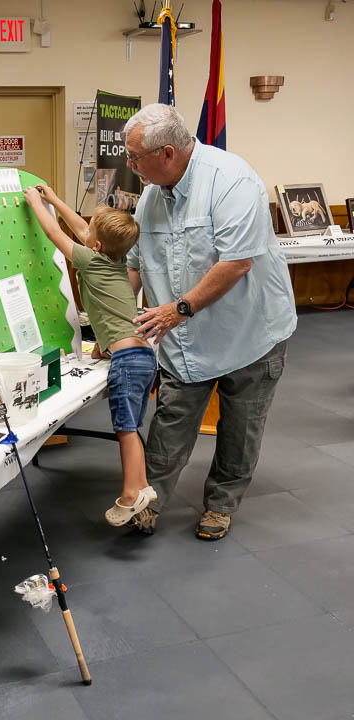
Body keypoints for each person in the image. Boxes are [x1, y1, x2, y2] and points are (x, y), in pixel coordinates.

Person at [123, 103, 297, 540]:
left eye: (134, 158)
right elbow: (135, 263)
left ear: (166, 153)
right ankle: (148, 500)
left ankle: (220, 505)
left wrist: (176, 309)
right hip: (184, 339)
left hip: (250, 333)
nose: (129, 165)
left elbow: (236, 264)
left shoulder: (232, 180)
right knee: (170, 421)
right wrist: (111, 322)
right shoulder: (150, 195)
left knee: (241, 426)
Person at [24, 184, 157, 527]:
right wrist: (55, 199)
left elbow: (55, 232)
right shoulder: (115, 259)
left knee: (125, 429)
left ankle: (130, 495)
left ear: (95, 246)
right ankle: (141, 485)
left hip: (127, 362)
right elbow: (83, 229)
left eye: (90, 233)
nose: (84, 233)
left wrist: (36, 203)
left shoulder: (90, 260)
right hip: (143, 355)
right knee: (133, 426)